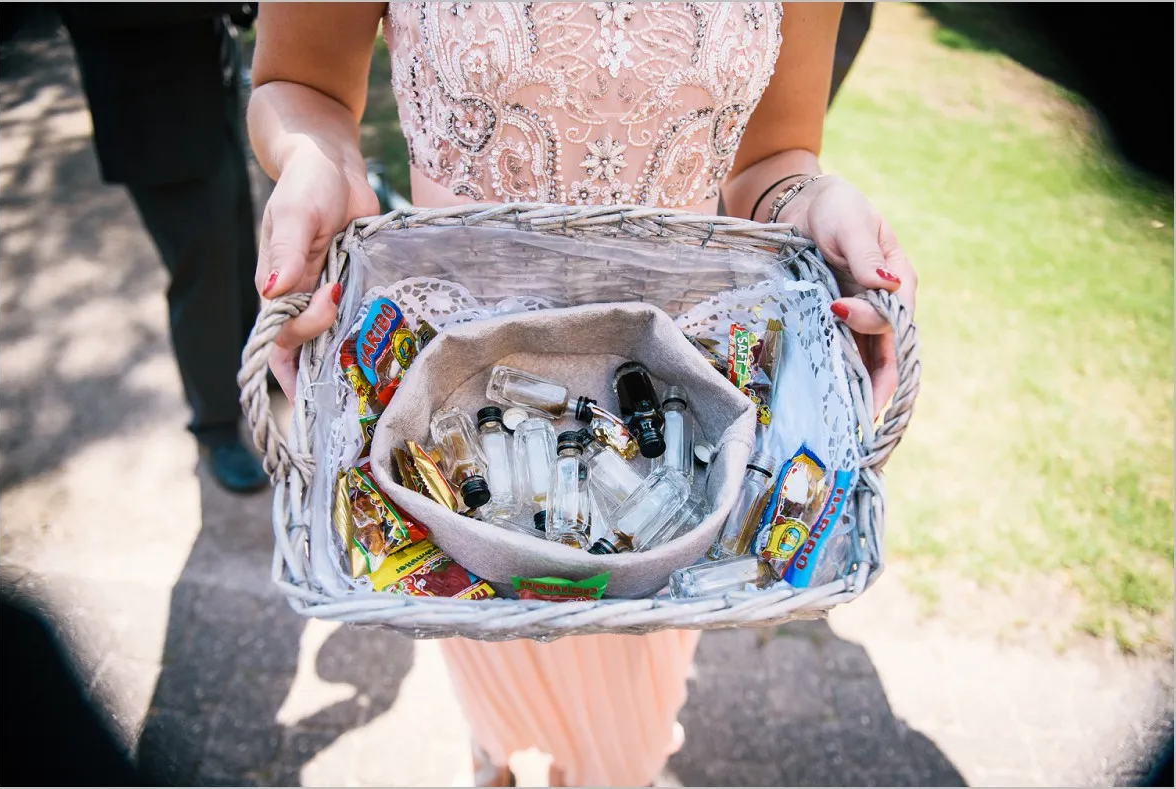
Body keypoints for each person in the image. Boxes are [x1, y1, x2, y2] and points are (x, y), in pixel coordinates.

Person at [248, 3, 916, 786]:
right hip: (460, 390)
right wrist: (316, 164)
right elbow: (301, 85)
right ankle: (496, 753)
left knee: (626, 706)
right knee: (493, 649)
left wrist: (811, 198)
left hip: (670, 388)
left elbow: (773, 159)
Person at [58, 4, 268, 493]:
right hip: (155, 118)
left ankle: (250, 371)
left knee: (239, 249)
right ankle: (215, 426)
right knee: (203, 275)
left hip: (208, 94)